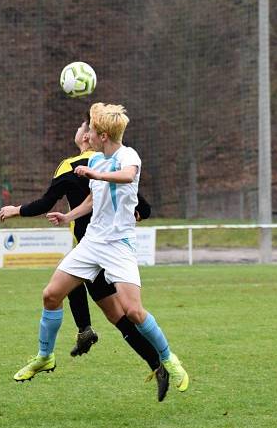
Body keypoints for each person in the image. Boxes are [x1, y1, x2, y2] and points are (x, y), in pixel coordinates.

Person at [12, 102, 188, 398]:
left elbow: (128, 176)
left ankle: (169, 359)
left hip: (118, 246)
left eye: (91, 129)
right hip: (92, 243)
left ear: (103, 135)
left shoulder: (126, 155)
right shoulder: (94, 162)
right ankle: (45, 357)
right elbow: (94, 201)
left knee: (133, 310)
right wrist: (68, 216)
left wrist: (97, 176)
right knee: (51, 295)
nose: (87, 133)